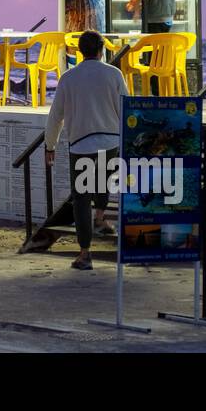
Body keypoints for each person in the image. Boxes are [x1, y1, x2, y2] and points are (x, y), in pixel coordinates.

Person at [44, 30, 128, 271]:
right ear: (101, 50)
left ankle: (85, 253)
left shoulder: (68, 78)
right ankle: (100, 218)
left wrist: (50, 145)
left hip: (80, 145)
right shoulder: (114, 74)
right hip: (111, 142)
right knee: (102, 183)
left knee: (81, 198)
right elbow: (126, 108)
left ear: (79, 51)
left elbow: (55, 117)